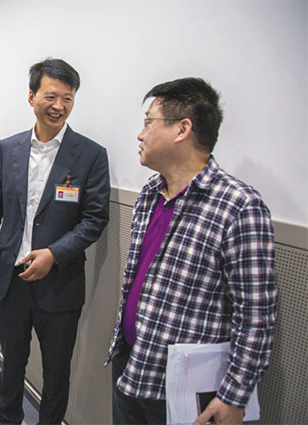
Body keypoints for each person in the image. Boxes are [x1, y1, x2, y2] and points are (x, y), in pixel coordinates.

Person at [105, 78, 277, 425]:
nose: (140, 135)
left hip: (182, 389)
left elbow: (255, 314)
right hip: (130, 365)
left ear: (182, 129)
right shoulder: (150, 193)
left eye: (148, 122)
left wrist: (234, 395)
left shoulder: (238, 206)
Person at [0, 58, 111, 424]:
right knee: (12, 362)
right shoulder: (7, 148)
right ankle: (8, 419)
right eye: (51, 96)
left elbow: (94, 220)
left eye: (68, 98)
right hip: (11, 280)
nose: (59, 106)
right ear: (31, 97)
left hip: (60, 283)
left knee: (57, 371)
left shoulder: (91, 154)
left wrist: (54, 254)